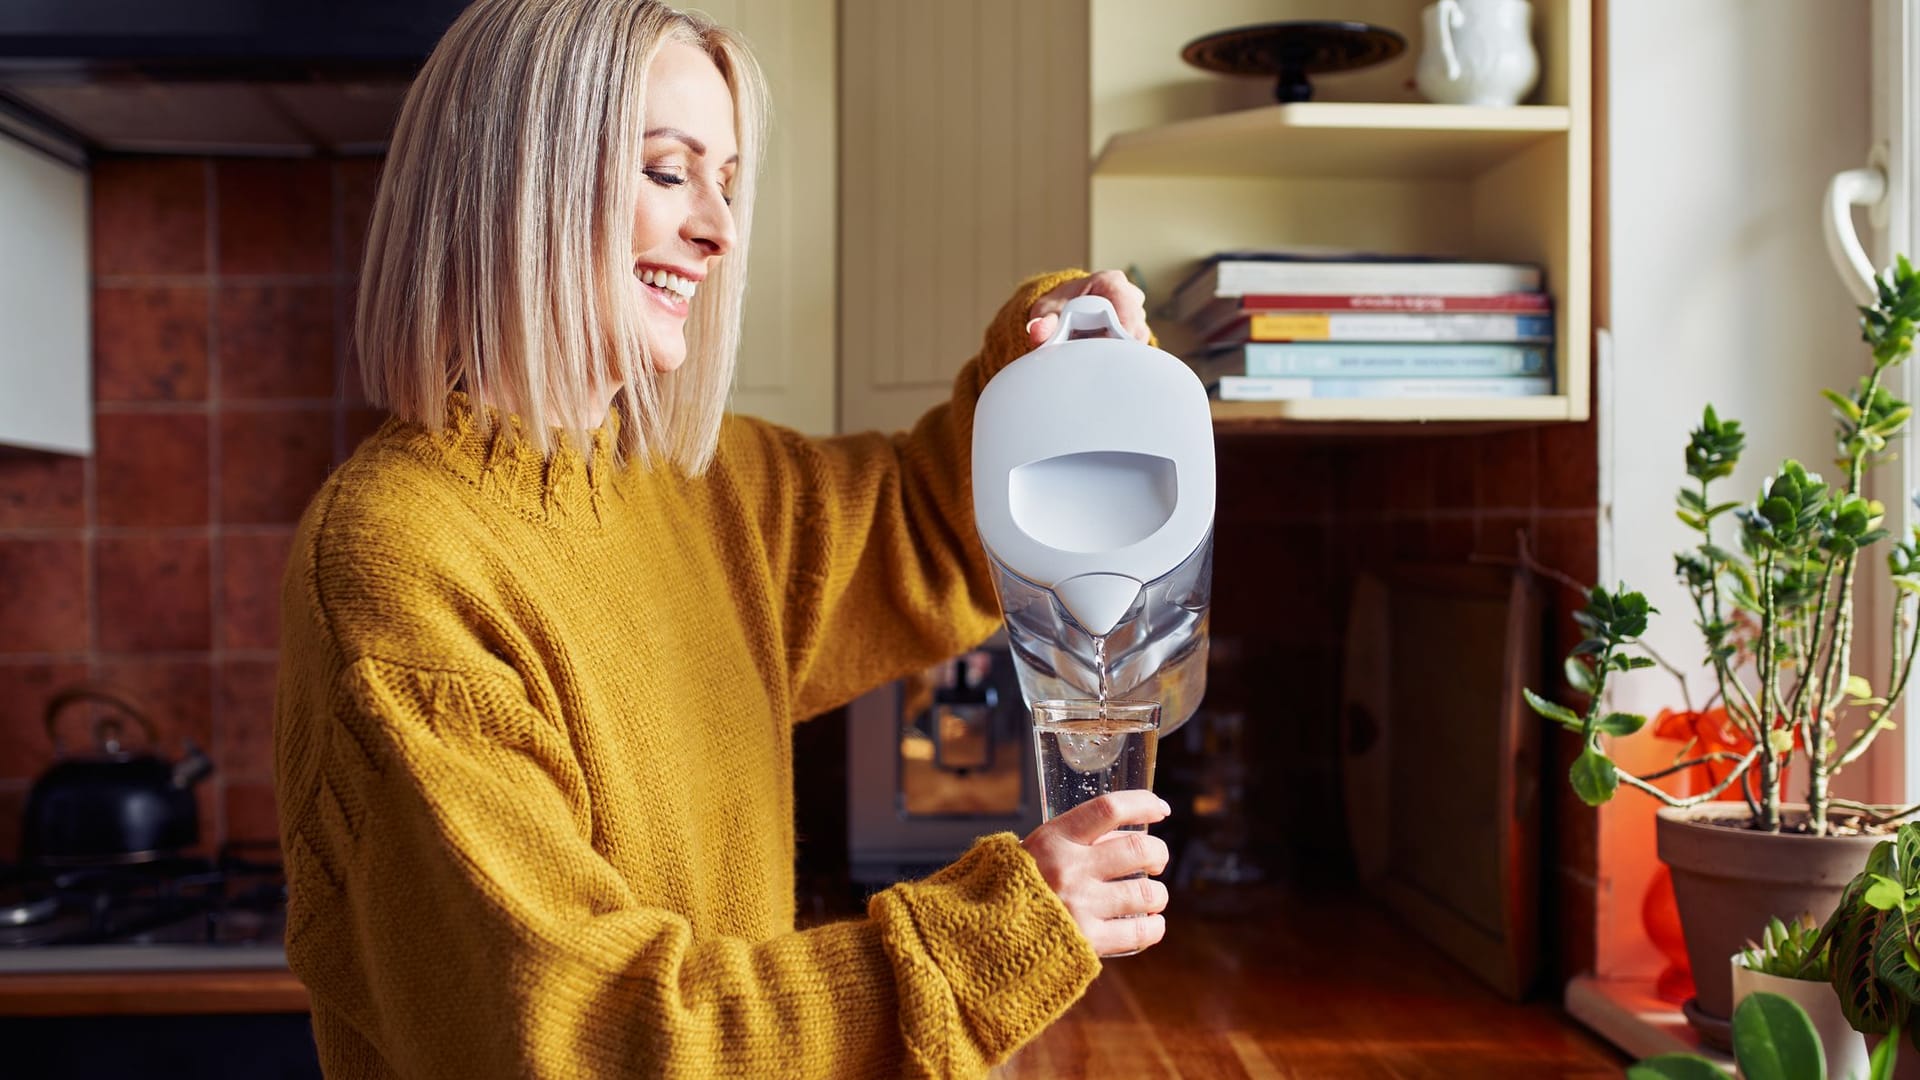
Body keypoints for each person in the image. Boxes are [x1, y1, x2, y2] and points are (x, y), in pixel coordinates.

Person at [273, 1, 1170, 1076]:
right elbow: (580, 1033)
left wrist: (1053, 360)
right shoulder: (399, 561)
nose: (719, 230)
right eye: (668, 172)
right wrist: (986, 940)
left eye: (729, 182)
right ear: (518, 182)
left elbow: (942, 519)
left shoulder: (706, 491)